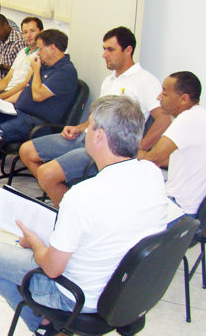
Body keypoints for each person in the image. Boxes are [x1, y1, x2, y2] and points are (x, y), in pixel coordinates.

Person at [0, 95, 172, 336]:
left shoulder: (82, 196)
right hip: (127, 292)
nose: (87, 133)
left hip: (79, 300)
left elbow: (52, 268)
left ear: (100, 136)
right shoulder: (151, 174)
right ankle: (48, 325)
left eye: (90, 127)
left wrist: (33, 243)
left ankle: (48, 327)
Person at [18, 27, 171, 206]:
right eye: (104, 49)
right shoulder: (109, 81)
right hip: (85, 136)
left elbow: (164, 119)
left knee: (46, 174)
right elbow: (97, 117)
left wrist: (139, 147)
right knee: (26, 151)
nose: (104, 55)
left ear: (128, 50)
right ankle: (66, 199)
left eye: (111, 49)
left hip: (106, 149)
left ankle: (68, 209)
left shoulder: (145, 80)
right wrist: (79, 127)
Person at [0, 29, 78, 207]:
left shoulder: (66, 72)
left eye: (40, 49)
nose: (38, 53)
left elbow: (37, 94)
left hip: (36, 122)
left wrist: (36, 70)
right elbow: (24, 94)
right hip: (17, 111)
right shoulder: (44, 65)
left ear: (53, 48)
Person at [143, 71, 206, 217]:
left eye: (165, 93)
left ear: (184, 99)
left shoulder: (188, 118)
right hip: (194, 207)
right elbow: (174, 160)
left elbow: (153, 159)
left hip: (181, 210)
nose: (159, 97)